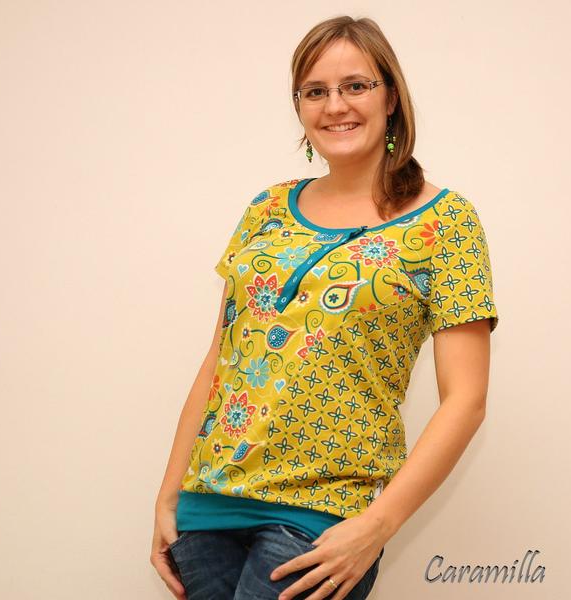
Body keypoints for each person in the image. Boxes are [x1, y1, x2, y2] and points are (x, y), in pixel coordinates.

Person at [151, 15, 499, 600]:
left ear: (391, 97)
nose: (335, 105)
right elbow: (219, 360)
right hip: (207, 511)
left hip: (323, 518)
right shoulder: (266, 209)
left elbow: (466, 400)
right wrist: (167, 496)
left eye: (355, 85)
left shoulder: (447, 221)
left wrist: (377, 526)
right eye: (315, 91)